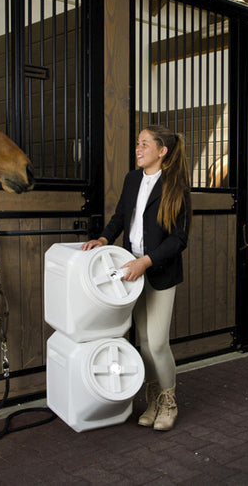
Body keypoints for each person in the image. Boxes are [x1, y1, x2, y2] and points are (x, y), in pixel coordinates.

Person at [81, 124, 191, 431]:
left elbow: (179, 239)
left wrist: (146, 261)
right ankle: (153, 400)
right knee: (142, 342)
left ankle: (169, 402)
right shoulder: (132, 179)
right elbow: (120, 217)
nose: (138, 149)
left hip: (159, 273)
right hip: (131, 272)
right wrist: (103, 240)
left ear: (162, 151)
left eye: (144, 144)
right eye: (137, 144)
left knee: (156, 344)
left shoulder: (175, 185)